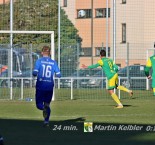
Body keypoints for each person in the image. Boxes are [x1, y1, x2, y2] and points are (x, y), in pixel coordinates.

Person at [33, 46, 61, 126]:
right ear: (50, 53)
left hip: (40, 86)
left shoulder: (39, 61)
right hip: (49, 86)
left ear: (42, 53)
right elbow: (59, 75)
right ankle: (46, 121)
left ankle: (43, 109)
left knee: (39, 105)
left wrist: (35, 73)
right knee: (47, 104)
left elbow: (34, 73)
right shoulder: (54, 62)